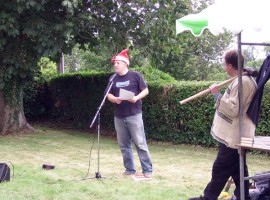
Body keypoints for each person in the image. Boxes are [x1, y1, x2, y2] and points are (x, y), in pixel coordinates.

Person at [189, 49, 257, 200]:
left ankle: (208, 198)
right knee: (238, 170)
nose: (224, 67)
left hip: (235, 136)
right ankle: (244, 196)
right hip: (236, 135)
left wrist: (216, 95)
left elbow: (233, 109)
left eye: (225, 64)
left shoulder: (243, 82)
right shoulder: (242, 79)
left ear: (231, 66)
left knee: (220, 168)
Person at [107, 49, 153, 178]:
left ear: (125, 64)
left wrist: (137, 97)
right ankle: (130, 169)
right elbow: (108, 94)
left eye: (118, 63)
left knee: (140, 143)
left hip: (134, 115)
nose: (115, 65)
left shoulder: (135, 75)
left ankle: (147, 170)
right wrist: (114, 99)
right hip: (119, 116)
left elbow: (146, 90)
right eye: (114, 63)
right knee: (124, 145)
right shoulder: (113, 78)